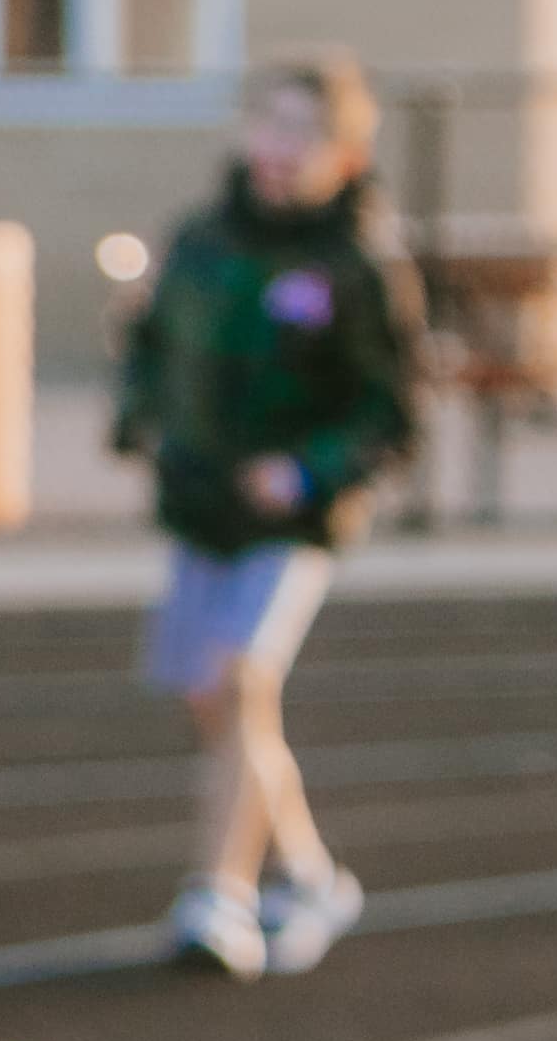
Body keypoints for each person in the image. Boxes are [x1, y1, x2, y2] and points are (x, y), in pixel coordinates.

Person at [115, 51, 417, 979]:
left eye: (308, 133)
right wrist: (144, 424)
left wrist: (308, 469)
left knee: (244, 677)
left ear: (349, 155)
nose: (284, 148)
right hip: (202, 509)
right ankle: (314, 876)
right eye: (272, 125)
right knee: (219, 706)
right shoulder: (201, 242)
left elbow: (390, 413)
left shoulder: (356, 268)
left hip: (291, 523)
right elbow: (149, 347)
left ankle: (222, 895)